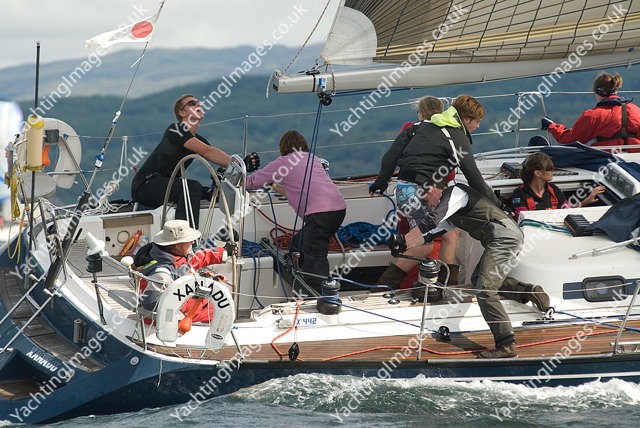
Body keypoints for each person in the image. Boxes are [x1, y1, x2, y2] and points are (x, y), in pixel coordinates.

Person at [389, 178, 552, 358]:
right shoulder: (452, 212)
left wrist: (404, 239)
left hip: (504, 238)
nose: (428, 204)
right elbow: (430, 234)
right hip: (501, 238)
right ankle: (527, 291)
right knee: (477, 280)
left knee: (485, 290)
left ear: (434, 189)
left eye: (426, 199)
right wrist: (403, 245)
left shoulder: (455, 193)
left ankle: (506, 345)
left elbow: (432, 221)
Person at [370, 94, 507, 289]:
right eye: (477, 121)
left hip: (406, 189)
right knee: (424, 246)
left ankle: (446, 286)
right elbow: (474, 177)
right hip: (417, 192)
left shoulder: (417, 127)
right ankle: (384, 285)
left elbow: (390, 157)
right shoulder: (456, 136)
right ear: (466, 119)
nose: (478, 126)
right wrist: (499, 206)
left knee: (451, 235)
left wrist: (380, 183)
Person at [131, 94, 260, 229]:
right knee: (192, 187)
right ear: (182, 113)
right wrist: (240, 164)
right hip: (144, 184)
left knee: (208, 192)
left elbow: (215, 156)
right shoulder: (176, 130)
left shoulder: (197, 140)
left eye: (199, 102)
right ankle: (185, 235)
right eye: (192, 103)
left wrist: (242, 165)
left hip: (162, 184)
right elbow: (208, 152)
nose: (198, 104)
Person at [246, 130, 347, 294]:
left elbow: (253, 181)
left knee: (315, 253)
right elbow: (297, 190)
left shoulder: (284, 162)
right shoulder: (312, 158)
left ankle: (318, 292)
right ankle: (296, 262)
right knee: (299, 243)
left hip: (320, 214)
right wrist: (275, 186)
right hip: (338, 209)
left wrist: (234, 181)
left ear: (283, 146)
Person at [135, 219, 237, 321]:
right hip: (177, 318)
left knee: (222, 310)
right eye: (189, 240)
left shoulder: (172, 256)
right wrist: (180, 316)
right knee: (224, 315)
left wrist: (224, 252)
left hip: (187, 309)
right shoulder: (162, 273)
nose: (193, 242)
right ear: (178, 246)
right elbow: (151, 302)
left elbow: (198, 257)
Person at [541, 72, 640, 153]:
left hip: (606, 159)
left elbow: (570, 138)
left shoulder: (593, 115)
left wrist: (551, 126)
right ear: (615, 91)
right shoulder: (636, 110)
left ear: (597, 92)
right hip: (636, 158)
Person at [511, 152, 605, 220]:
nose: (553, 171)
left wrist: (587, 201)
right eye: (549, 169)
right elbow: (521, 219)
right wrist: (544, 215)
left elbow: (567, 210)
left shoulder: (553, 189)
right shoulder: (520, 193)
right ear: (537, 173)